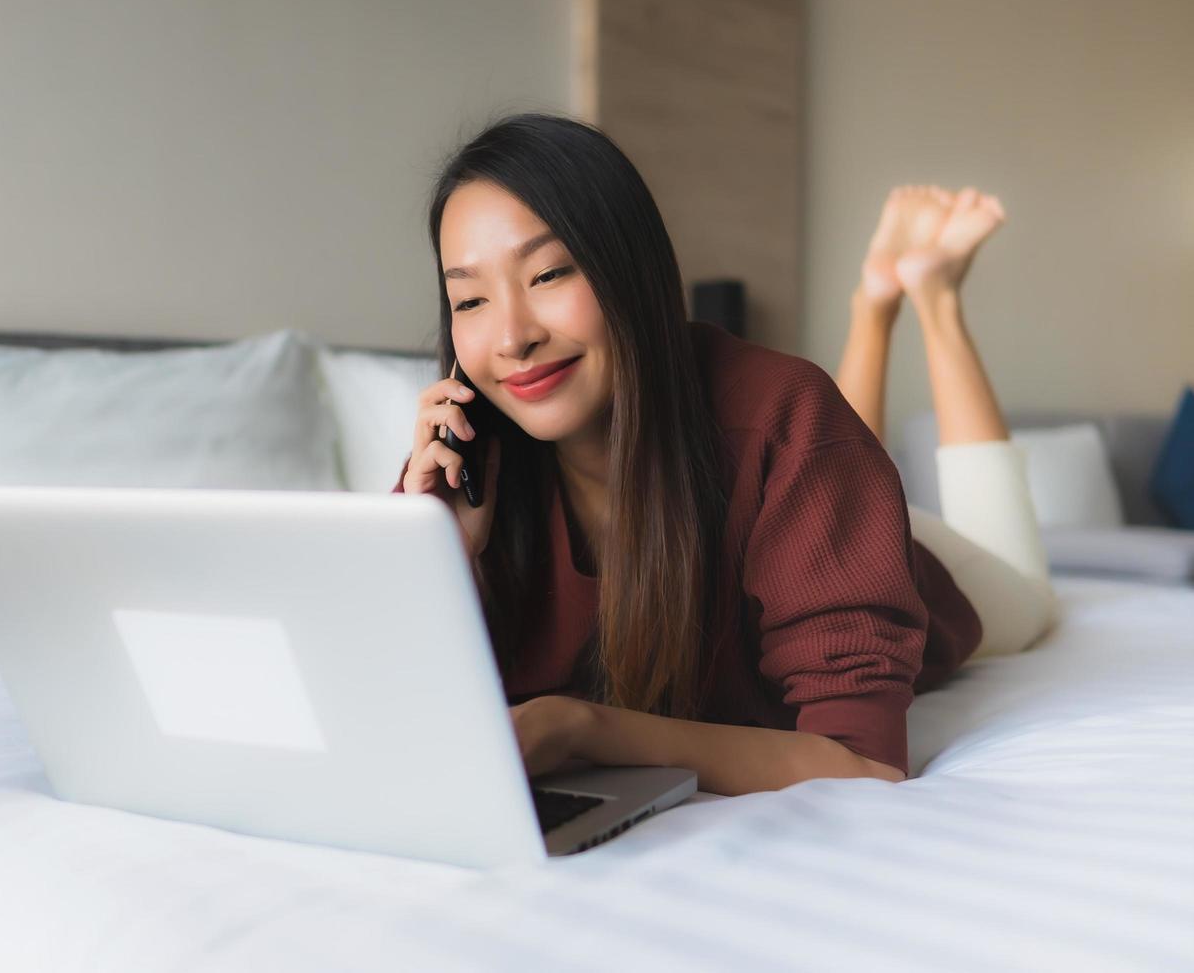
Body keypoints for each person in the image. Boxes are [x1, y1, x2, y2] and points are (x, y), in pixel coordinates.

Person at [391, 113, 1059, 795]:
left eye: (549, 273)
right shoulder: (466, 470)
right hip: (815, 510)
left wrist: (585, 729)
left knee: (1031, 597)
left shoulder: (784, 419)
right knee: (816, 448)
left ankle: (928, 297)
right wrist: (439, 553)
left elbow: (865, 764)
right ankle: (881, 301)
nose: (510, 337)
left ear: (631, 265)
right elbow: (388, 717)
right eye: (469, 298)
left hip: (918, 564)